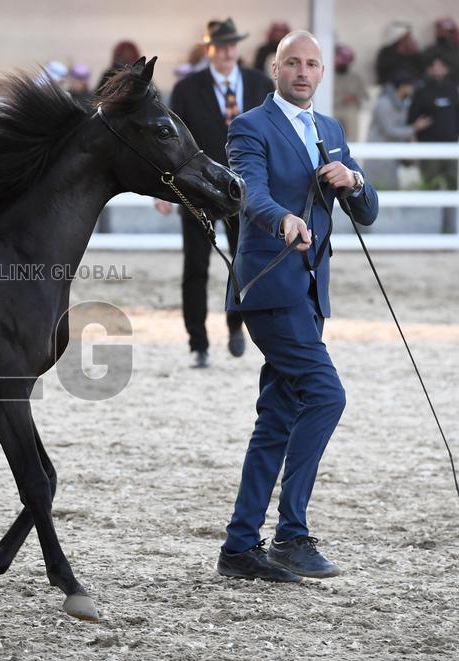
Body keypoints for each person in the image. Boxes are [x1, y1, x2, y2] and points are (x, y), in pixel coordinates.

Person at [217, 31, 378, 582]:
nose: (303, 72)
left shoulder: (330, 130)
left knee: (278, 417)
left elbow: (369, 210)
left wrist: (352, 180)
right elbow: (248, 190)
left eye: (312, 64)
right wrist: (281, 218)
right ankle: (291, 534)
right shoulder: (250, 126)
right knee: (327, 395)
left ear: (322, 72)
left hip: (311, 292)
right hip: (267, 285)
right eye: (293, 63)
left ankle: (239, 548)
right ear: (274, 68)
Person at [164, 17, 273, 368]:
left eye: (232, 44)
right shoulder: (186, 89)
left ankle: (236, 323)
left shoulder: (259, 84)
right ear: (209, 48)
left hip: (246, 190)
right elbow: (171, 143)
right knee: (195, 266)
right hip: (198, 191)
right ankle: (198, 341)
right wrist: (163, 188)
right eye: (221, 45)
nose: (227, 51)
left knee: (244, 261)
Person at [407, 55, 459, 232]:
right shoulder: (422, 92)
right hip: (429, 148)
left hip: (451, 147)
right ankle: (428, 230)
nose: (437, 69)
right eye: (434, 66)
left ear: (446, 69)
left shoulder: (454, 90)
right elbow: (412, 118)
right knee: (430, 186)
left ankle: (449, 230)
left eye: (441, 66)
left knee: (452, 187)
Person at [365, 71, 430, 189]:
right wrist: (415, 128)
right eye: (411, 85)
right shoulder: (384, 103)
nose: (413, 89)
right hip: (379, 153)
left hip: (392, 154)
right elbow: (390, 130)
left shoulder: (403, 103)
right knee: (377, 189)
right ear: (403, 86)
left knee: (392, 187)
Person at [332, 45, 367, 142]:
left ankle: (352, 150)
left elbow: (365, 97)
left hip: (350, 111)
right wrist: (342, 99)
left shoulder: (355, 78)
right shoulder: (328, 77)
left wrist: (356, 99)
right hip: (334, 110)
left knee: (352, 114)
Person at [375, 22, 423, 86]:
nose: (411, 39)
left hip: (413, 85)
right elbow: (385, 73)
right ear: (400, 39)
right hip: (392, 86)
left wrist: (416, 52)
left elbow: (421, 70)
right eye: (407, 37)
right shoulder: (386, 52)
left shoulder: (412, 53)